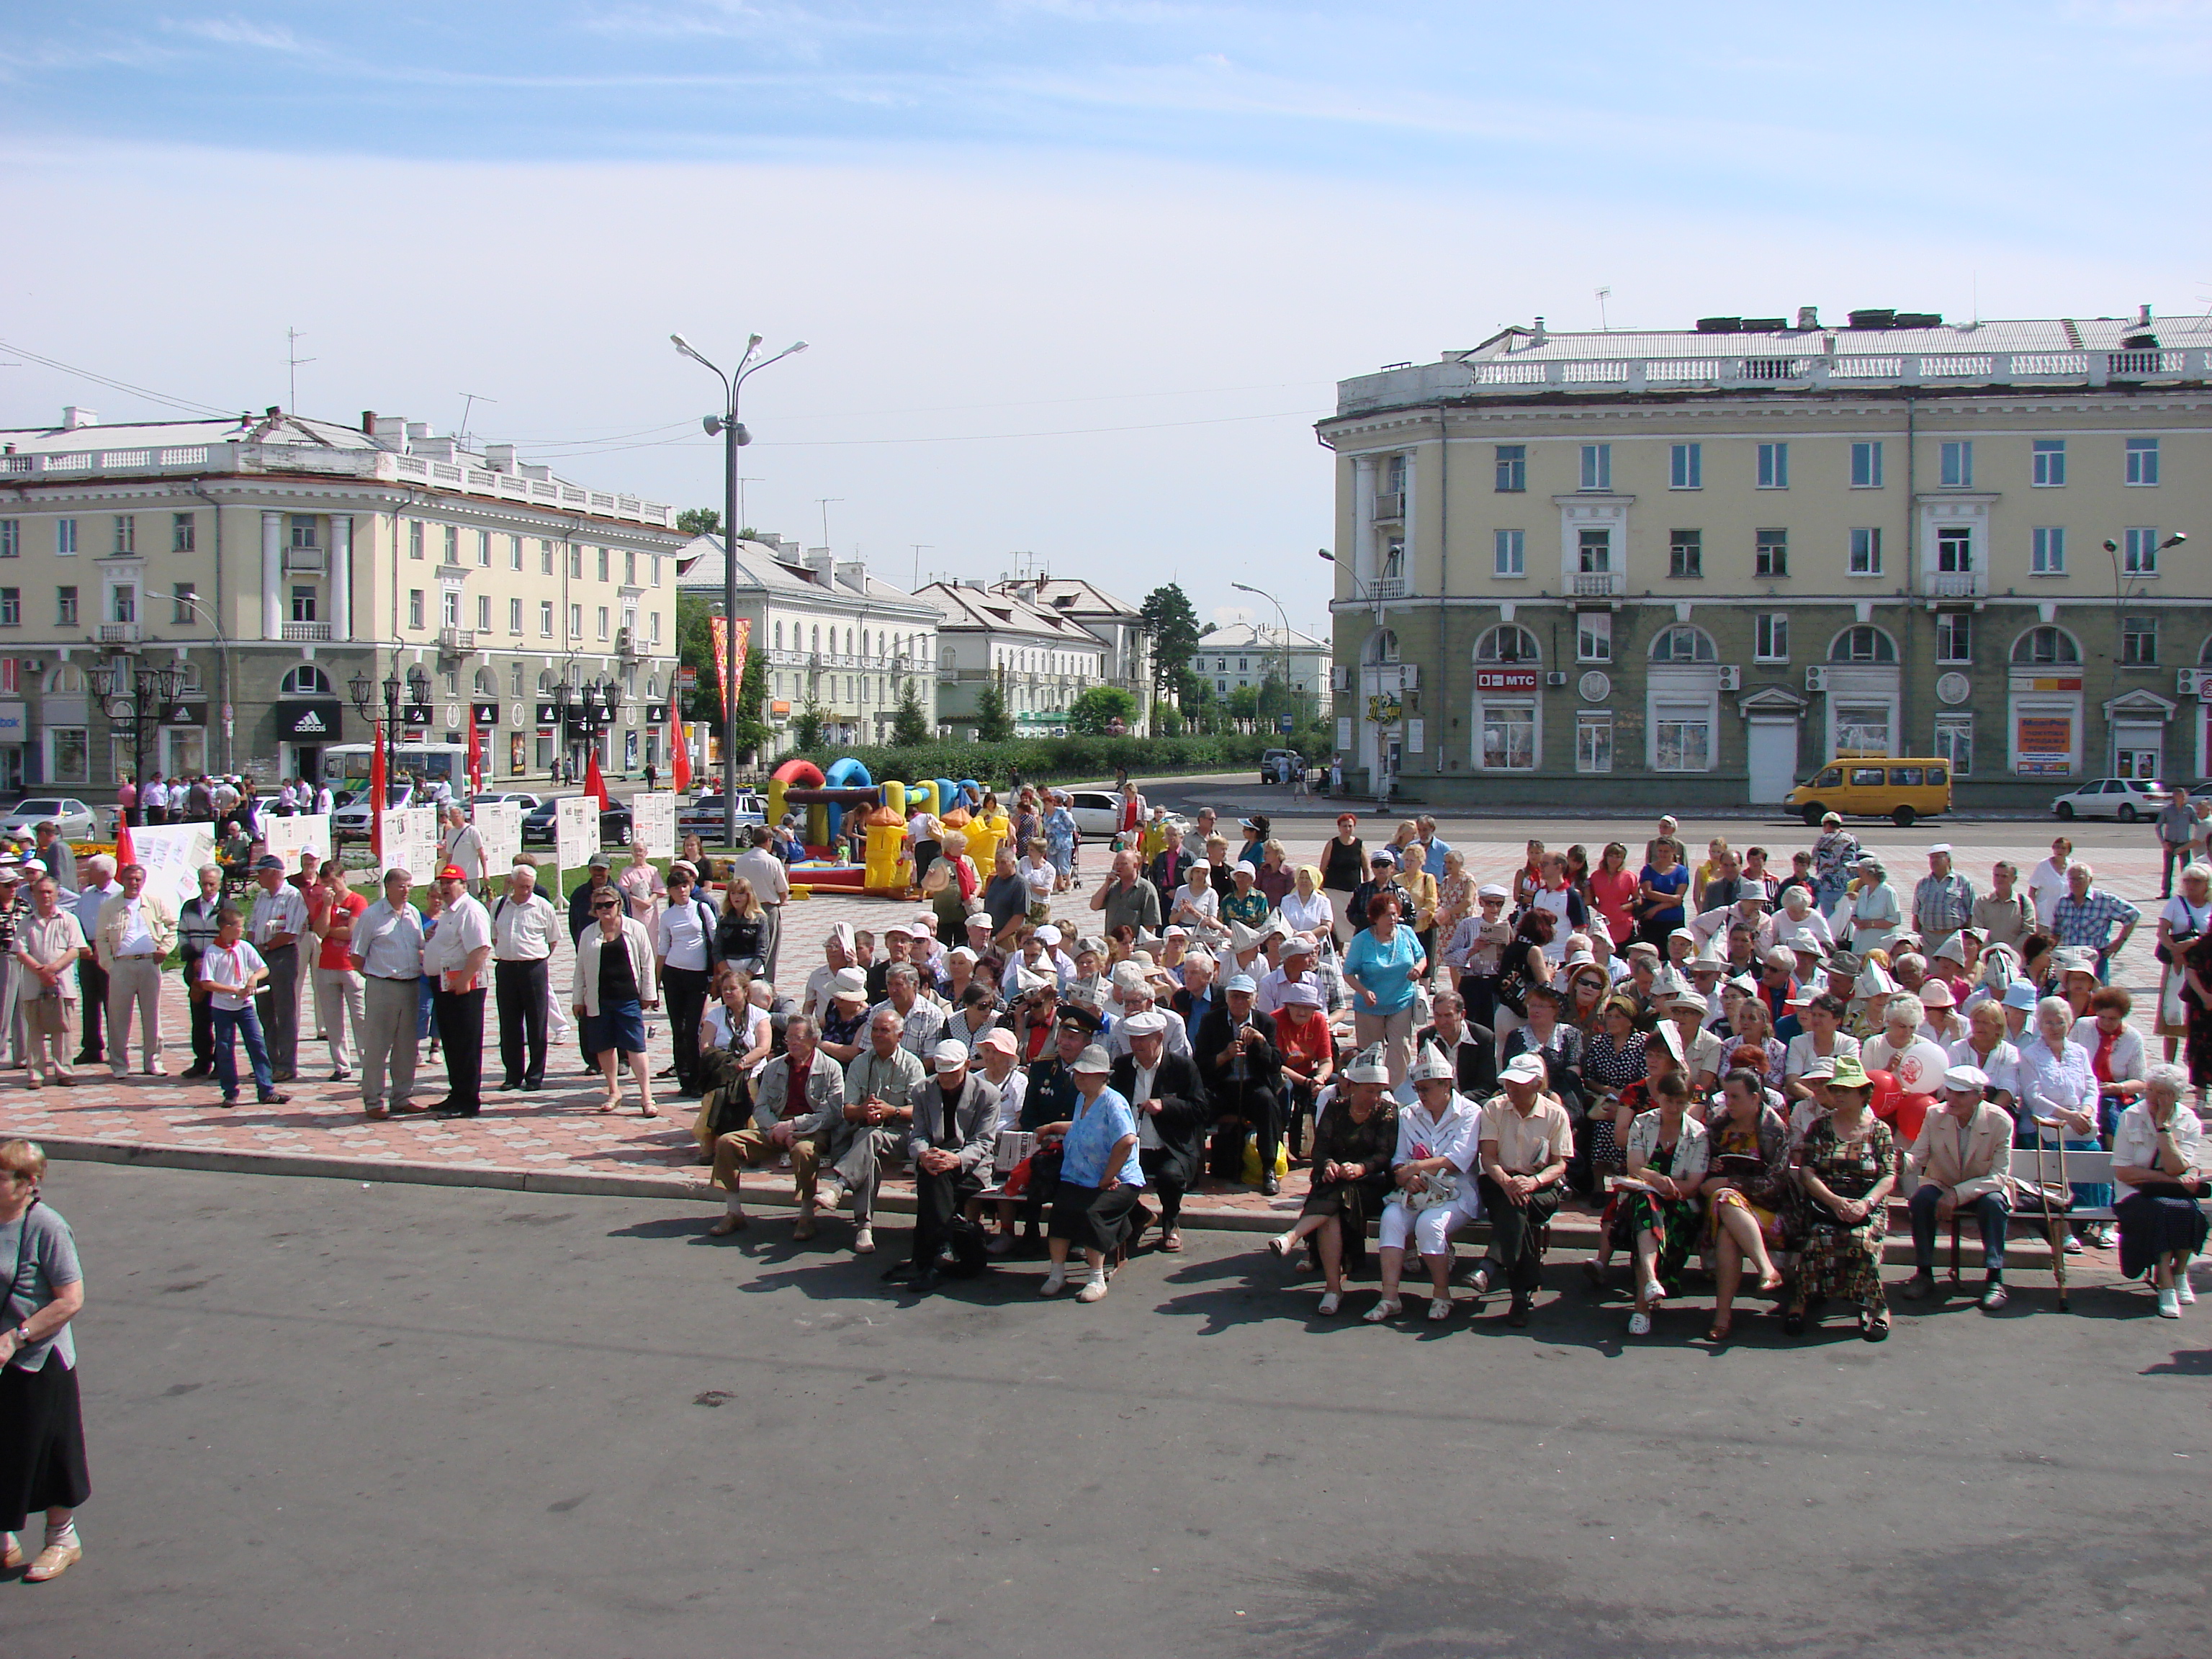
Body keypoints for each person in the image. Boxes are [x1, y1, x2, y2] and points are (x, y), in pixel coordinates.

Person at [0, 1140, 90, 1582]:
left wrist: (18, 1337)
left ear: (28, 1184)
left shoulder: (47, 1227)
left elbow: (71, 1300)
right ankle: (3, 1538)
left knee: (50, 1449)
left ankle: (62, 1539)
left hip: (39, 1358)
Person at [1267, 1047, 1396, 1315]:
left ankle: (1293, 1236)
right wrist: (1328, 1165)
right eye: (1369, 1090)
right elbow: (1320, 1149)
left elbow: (1384, 1154)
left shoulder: (1387, 1112)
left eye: (1378, 1091)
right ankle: (1332, 1287)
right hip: (1336, 1181)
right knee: (1333, 1212)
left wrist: (1361, 1168)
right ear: (1352, 1086)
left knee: (1338, 1196)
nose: (1374, 1097)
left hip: (1371, 1183)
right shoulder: (1336, 1108)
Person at [1364, 1041, 1485, 1323]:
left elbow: (1457, 1160)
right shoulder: (1409, 1114)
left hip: (1457, 1192)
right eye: (1418, 1089)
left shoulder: (1470, 1112)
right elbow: (1398, 1158)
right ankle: (1389, 1297)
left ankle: (1442, 1294)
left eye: (1426, 1089)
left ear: (1446, 1085)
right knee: (1392, 1218)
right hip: (1416, 1191)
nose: (1421, 1095)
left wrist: (1415, 1168)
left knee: (1429, 1224)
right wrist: (1406, 1177)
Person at [1786, 1054, 1897, 1340]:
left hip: (1867, 1203)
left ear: (1864, 1094)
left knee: (1860, 1240)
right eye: (1837, 1090)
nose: (1840, 1095)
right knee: (1820, 1236)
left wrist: (1865, 1203)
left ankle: (1876, 1307)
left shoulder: (1879, 1130)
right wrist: (1833, 1201)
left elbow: (1888, 1175)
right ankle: (1801, 1301)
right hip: (1826, 1202)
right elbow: (1807, 1171)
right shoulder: (1820, 1127)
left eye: (1847, 1091)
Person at [707, 1014, 845, 1238]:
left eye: (797, 1037)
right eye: (789, 1038)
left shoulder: (831, 1068)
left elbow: (832, 1113)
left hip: (811, 1130)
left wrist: (794, 1127)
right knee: (727, 1142)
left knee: (804, 1151)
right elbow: (760, 1107)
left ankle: (806, 1215)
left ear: (812, 1039)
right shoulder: (774, 1067)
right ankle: (734, 1212)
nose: (791, 1042)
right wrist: (775, 1129)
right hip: (775, 1128)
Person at [883, 1042, 1001, 1292]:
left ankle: (932, 1256)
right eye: (942, 1074)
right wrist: (923, 1154)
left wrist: (956, 1159)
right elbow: (919, 1134)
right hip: (935, 1160)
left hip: (971, 1166)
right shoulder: (922, 1090)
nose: (946, 1080)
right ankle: (941, 1251)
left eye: (952, 1073)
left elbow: (983, 1142)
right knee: (933, 1176)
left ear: (967, 1066)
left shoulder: (987, 1094)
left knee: (933, 1180)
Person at [1467, 1053, 1574, 1327]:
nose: (1510, 1089)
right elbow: (1488, 1158)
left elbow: (1560, 1164)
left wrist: (1534, 1182)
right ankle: (1521, 1293)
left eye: (1518, 1083)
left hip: (1540, 1186)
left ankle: (1493, 1262)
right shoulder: (1494, 1108)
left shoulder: (1555, 1113)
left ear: (1537, 1085)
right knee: (1514, 1204)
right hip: (1500, 1180)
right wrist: (1506, 1181)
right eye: (1509, 1083)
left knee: (1517, 1205)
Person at [1901, 1063, 2017, 1310]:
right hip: (1944, 1184)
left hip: (1983, 1189)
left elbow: (1998, 1176)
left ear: (1980, 1097)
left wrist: (1957, 1194)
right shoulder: (1935, 1114)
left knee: (1995, 1202)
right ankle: (1923, 1272)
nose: (1951, 1098)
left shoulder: (2000, 1121)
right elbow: (1918, 1156)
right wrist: (1896, 1161)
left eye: (1961, 1094)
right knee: (1921, 1199)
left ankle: (1995, 1278)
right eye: (1950, 1091)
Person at [1035, 1044, 1144, 1303]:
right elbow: (1082, 1126)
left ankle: (1096, 1277)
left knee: (1091, 1212)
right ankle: (1057, 1273)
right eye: (1078, 1073)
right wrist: (1051, 1127)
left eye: (1087, 1073)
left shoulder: (1113, 1102)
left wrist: (1108, 1175)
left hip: (1117, 1180)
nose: (1080, 1077)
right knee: (1061, 1209)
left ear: (1103, 1075)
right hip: (1080, 1175)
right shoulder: (1082, 1098)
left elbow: (1127, 1140)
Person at [818, 1007, 929, 1256]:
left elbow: (921, 1111)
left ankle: (839, 1186)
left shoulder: (912, 1065)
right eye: (875, 1030)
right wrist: (863, 1110)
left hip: (902, 1134)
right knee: (869, 1149)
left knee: (870, 1139)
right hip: (866, 1133)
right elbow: (848, 1110)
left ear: (899, 1036)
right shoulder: (860, 1062)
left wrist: (892, 1111)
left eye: (884, 1030)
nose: (878, 1035)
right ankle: (864, 1228)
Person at [2111, 1064, 2211, 1317]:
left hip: (2172, 1192)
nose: (2154, 1098)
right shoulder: (2131, 1116)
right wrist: (2171, 1179)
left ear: (2176, 1096)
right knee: (2160, 1210)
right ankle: (2166, 1282)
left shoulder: (2189, 1121)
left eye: (2164, 1093)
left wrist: (2163, 1129)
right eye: (2152, 1090)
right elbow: (2124, 1173)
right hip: (2133, 1193)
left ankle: (2180, 1272)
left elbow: (2177, 1167)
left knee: (2191, 1211)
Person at [1616, 1070, 1709, 1336]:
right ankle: (1644, 1301)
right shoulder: (1643, 1123)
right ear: (1660, 1097)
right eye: (1670, 1101)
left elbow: (1692, 1184)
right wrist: (1655, 1178)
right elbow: (1635, 1166)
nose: (1675, 1108)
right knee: (1646, 1204)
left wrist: (1668, 1190)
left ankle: (1648, 1287)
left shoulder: (1698, 1134)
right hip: (1643, 1198)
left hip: (1679, 1204)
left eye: (1681, 1103)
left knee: (1649, 1213)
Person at [1107, 1010, 1208, 1254]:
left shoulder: (1182, 1067)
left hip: (1171, 1147)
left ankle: (1170, 1223)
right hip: (1132, 1147)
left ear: (1159, 1038)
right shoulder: (1122, 1067)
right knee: (1105, 1175)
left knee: (1170, 1177)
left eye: (1143, 1039)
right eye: (1133, 1039)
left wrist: (1166, 1106)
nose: (1137, 1045)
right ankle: (1139, 1216)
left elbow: (1200, 1109)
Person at [1702, 1067, 1791, 1341]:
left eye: (1735, 1097)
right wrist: (1712, 1168)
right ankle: (1766, 1269)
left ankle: (1723, 1317)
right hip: (1724, 1210)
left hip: (1767, 1212)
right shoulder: (1718, 1126)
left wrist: (1731, 1181)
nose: (1728, 1104)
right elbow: (1700, 1172)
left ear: (1755, 1099)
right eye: (1725, 1096)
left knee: (1727, 1212)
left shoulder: (1773, 1129)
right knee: (1726, 1204)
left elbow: (1775, 1186)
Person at [1197, 972, 1285, 1192]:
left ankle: (1268, 1167)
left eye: (1245, 997)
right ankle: (1194, 1165)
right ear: (1227, 999)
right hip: (1221, 1086)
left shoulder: (1266, 1022)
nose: (1239, 1002)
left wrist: (1261, 1043)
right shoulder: (1211, 1021)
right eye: (1234, 997)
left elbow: (1276, 1064)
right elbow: (1199, 1064)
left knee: (1267, 1102)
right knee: (1196, 1105)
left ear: (1254, 999)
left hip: (1252, 1086)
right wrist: (1223, 1057)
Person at [350, 867, 425, 1119]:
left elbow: (421, 946)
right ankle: (373, 1100)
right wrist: (377, 975)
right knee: (378, 1046)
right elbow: (357, 956)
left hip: (411, 985)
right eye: (401, 886)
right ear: (388, 887)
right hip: (383, 985)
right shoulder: (372, 916)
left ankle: (402, 1097)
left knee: (407, 1047)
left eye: (409, 886)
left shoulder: (413, 913)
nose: (406, 891)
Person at [194, 904, 285, 1107]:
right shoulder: (213, 952)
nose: (241, 930)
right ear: (226, 927)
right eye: (238, 926)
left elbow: (263, 968)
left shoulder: (244, 947)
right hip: (223, 1008)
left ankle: (266, 1089)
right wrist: (233, 990)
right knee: (225, 1049)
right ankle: (230, 1092)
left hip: (245, 1007)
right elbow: (207, 982)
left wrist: (253, 979)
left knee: (257, 1045)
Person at [423, 863, 494, 1120]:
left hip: (464, 987)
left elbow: (481, 948)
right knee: (452, 1042)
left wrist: (464, 980)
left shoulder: (471, 910)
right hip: (443, 984)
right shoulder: (450, 912)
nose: (445, 889)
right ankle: (457, 1093)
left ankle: (468, 1100)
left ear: (463, 885)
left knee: (465, 1043)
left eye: (450, 883)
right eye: (442, 884)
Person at [92, 862, 176, 1079]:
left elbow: (173, 927)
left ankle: (153, 1062)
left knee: (152, 1015)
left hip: (149, 964)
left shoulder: (154, 904)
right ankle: (120, 1064)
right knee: (119, 1016)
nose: (134, 883)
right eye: (130, 879)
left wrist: (165, 949)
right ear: (122, 881)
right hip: (122, 965)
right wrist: (110, 965)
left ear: (144, 881)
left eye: (138, 879)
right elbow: (100, 938)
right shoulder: (110, 906)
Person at [488, 861, 559, 1094]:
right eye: (521, 887)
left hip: (534, 968)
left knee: (537, 1023)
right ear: (512, 884)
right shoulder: (499, 905)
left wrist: (536, 958)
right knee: (509, 1025)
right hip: (507, 968)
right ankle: (513, 1074)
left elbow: (553, 939)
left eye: (529, 887)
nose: (525, 891)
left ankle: (535, 1075)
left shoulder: (543, 906)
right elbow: (494, 935)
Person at [1343, 891, 1426, 1087]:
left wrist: (1418, 969)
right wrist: (1364, 991)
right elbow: (1348, 973)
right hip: (1370, 1006)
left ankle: (1396, 1092)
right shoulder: (1362, 941)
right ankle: (1373, 1090)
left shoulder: (1406, 933)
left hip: (1401, 1001)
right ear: (1375, 918)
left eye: (1395, 914)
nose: (1392, 919)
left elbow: (1422, 956)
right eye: (1387, 915)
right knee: (1372, 1053)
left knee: (1400, 1049)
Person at [14, 878, 89, 1089]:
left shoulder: (69, 919)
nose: (45, 896)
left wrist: (53, 969)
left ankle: (64, 1072)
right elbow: (20, 951)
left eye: (49, 892)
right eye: (40, 892)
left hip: (61, 984)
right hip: (33, 984)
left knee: (62, 1030)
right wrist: (41, 971)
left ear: (57, 895)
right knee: (35, 1031)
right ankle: (36, 1074)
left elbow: (75, 950)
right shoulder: (26, 922)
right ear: (34, 895)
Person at [245, 854, 307, 1084]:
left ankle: (286, 1064)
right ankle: (269, 1061)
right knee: (265, 1010)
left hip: (282, 956)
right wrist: (253, 948)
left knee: (284, 1011)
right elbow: (252, 925)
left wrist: (267, 946)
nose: (258, 877)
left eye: (261, 873)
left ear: (273, 874)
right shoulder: (262, 896)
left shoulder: (292, 896)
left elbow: (291, 931)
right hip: (261, 958)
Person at [305, 864, 367, 1083]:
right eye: (326, 883)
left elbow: (352, 931)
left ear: (343, 877)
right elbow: (319, 931)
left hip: (351, 966)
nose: (331, 886)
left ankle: (368, 1062)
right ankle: (341, 1065)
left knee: (360, 1018)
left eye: (334, 881)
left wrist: (330, 930)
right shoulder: (324, 904)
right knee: (333, 1020)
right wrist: (327, 908)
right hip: (327, 965)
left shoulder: (357, 901)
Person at [2049, 862, 2139, 981]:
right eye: (2072, 880)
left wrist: (2120, 941)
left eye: (2080, 879)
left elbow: (2133, 915)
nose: (2075, 883)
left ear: (2090, 880)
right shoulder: (2063, 903)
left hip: (2095, 958)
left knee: (2098, 994)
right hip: (2068, 957)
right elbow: (2056, 932)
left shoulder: (2105, 900)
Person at [176, 864, 225, 1080]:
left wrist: (212, 959)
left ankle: (222, 1063)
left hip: (220, 972)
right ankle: (202, 1061)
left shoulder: (227, 907)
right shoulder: (189, 907)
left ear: (220, 884)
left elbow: (232, 938)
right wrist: (194, 958)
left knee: (222, 1018)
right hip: (196, 972)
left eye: (212, 884)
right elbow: (182, 935)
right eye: (204, 884)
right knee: (200, 1019)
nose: (208, 888)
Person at [729, 825, 792, 979]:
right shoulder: (773, 861)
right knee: (768, 952)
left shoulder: (741, 860)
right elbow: (783, 889)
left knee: (746, 950)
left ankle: (744, 980)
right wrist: (783, 900)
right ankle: (766, 985)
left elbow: (736, 884)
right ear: (769, 841)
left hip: (744, 909)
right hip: (768, 908)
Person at [439, 804, 485, 892]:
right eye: (451, 816)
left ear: (462, 816)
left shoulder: (472, 831)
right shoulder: (450, 833)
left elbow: (481, 852)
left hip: (471, 874)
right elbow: (450, 855)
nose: (452, 819)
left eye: (455, 816)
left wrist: (485, 872)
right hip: (456, 875)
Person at [618, 841, 665, 922]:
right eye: (635, 850)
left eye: (641, 850)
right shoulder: (627, 871)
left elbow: (659, 890)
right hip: (634, 909)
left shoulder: (653, 870)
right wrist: (640, 903)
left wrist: (648, 902)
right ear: (632, 853)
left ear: (646, 852)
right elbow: (624, 892)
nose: (638, 853)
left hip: (650, 910)